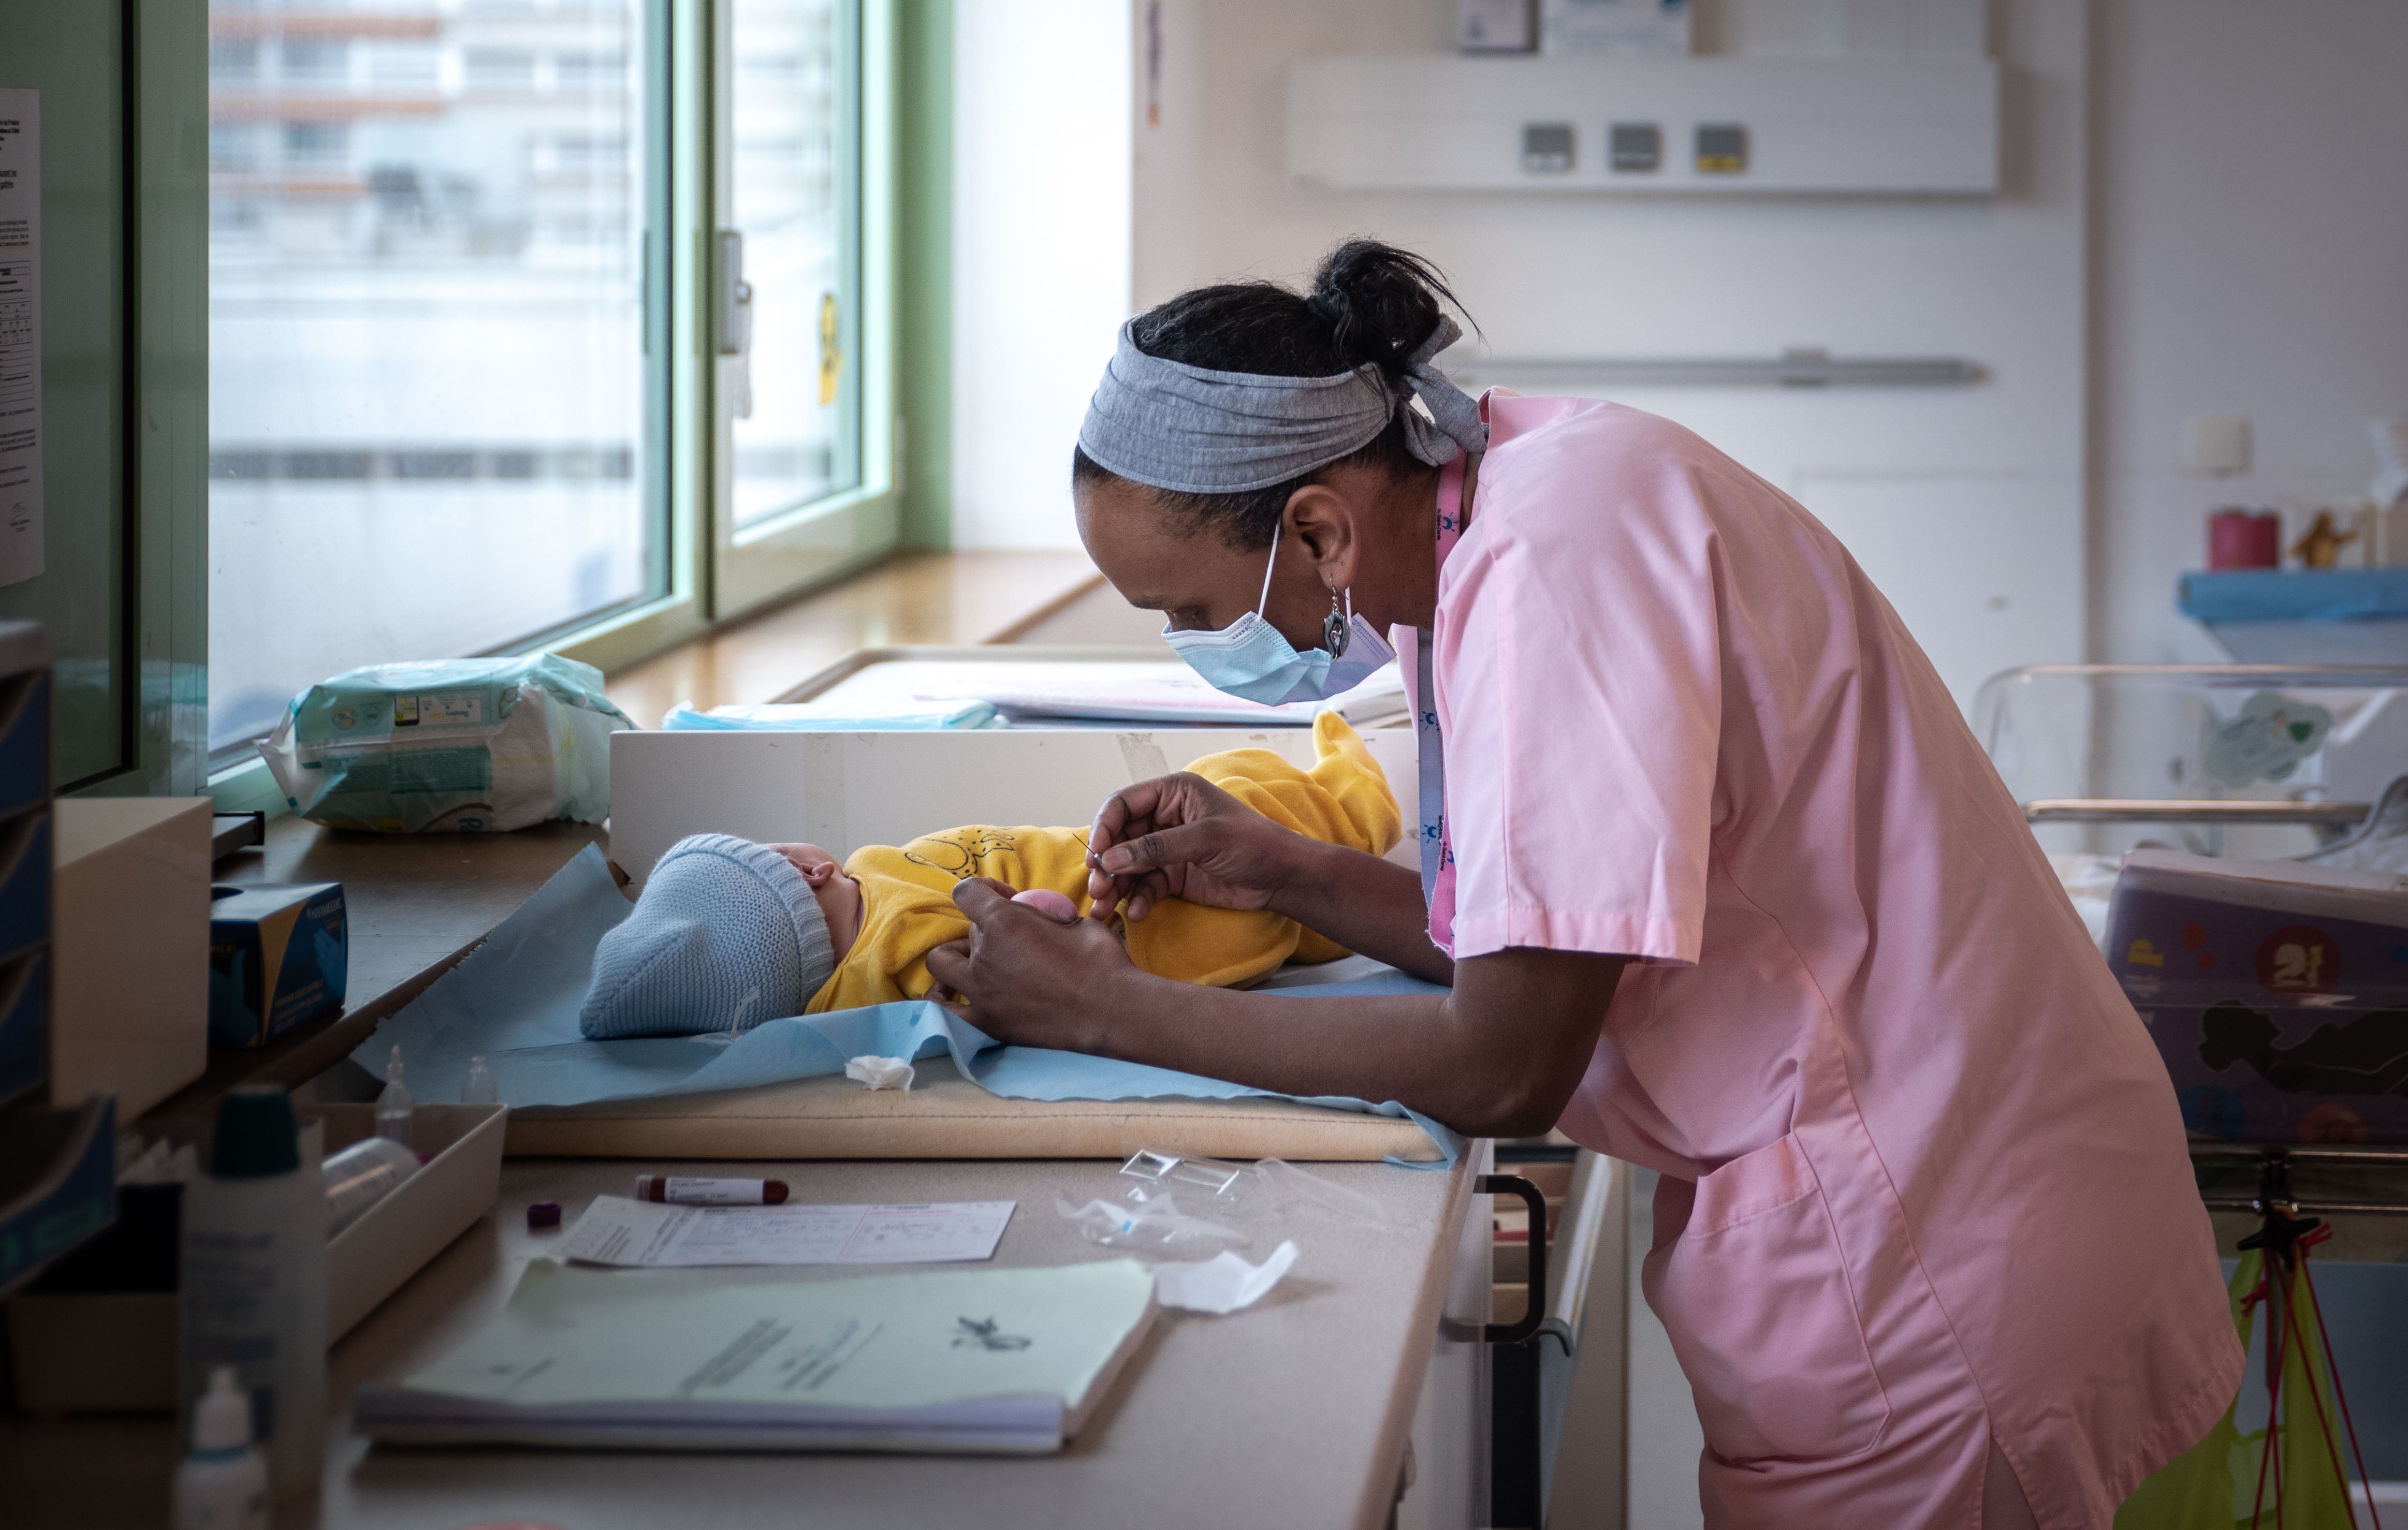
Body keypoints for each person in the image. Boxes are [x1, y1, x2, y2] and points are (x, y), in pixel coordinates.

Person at [925, 242, 2241, 1528]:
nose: (1199, 645)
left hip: (1931, 1249)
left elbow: (1505, 1061)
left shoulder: (1547, 576)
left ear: (1317, 527)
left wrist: (1104, 1011)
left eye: (1194, 612)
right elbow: (1547, 939)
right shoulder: (1526, 485)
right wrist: (1292, 873)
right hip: (1971, 1169)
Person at [575, 714, 1396, 1038]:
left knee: (1242, 809)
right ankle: (1362, 795)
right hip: (1164, 913)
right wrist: (1039, 914)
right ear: (804, 866)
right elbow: (1003, 955)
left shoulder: (842, 968)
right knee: (1275, 809)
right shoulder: (893, 950)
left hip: (1162, 884)